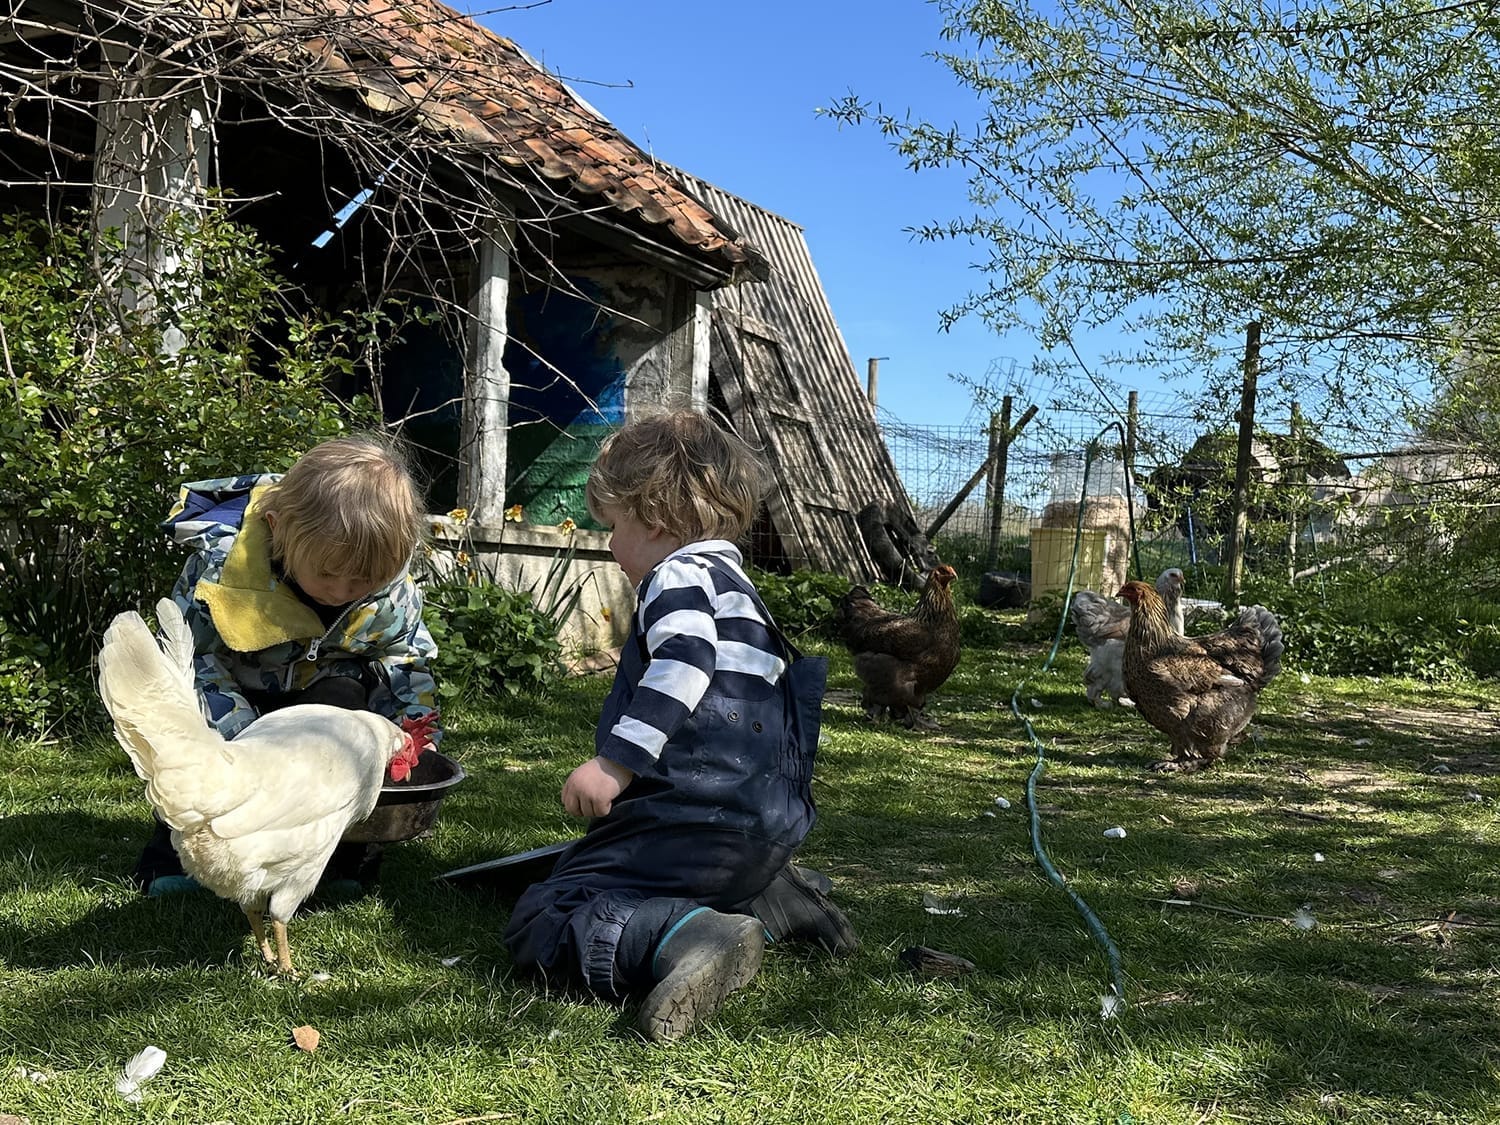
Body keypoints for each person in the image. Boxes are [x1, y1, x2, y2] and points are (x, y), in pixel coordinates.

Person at [504, 409, 855, 1043]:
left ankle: (688, 937)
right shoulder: (739, 588)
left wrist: (614, 764)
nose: (608, 544)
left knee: (548, 912)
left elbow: (685, 662)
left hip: (688, 815)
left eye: (612, 526)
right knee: (648, 869)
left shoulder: (677, 574)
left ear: (655, 518)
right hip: (761, 826)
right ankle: (772, 898)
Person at [131, 435, 441, 895]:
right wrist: (244, 738)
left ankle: (343, 862)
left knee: (350, 754)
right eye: (328, 573)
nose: (343, 590)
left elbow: (406, 661)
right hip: (235, 691)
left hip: (327, 697)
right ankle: (173, 860)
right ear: (278, 529)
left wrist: (418, 733)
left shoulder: (393, 593)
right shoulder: (224, 573)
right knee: (198, 763)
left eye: (364, 578)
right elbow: (194, 656)